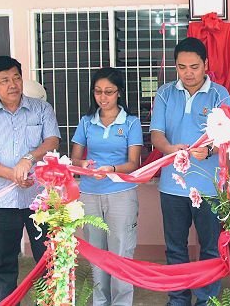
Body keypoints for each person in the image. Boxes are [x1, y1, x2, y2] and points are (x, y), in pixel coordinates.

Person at [0, 55, 60, 302]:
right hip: (2, 203)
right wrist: (13, 175)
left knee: (48, 261)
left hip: (39, 200)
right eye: (5, 80)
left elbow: (52, 141)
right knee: (4, 263)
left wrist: (28, 159)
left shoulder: (42, 108)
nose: (13, 85)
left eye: (16, 78)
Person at [149, 37, 230, 306]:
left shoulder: (220, 95)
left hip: (208, 187)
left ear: (206, 64)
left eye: (195, 66)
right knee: (175, 248)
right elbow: (156, 134)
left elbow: (229, 136)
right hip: (172, 187)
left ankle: (207, 300)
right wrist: (170, 148)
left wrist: (209, 151)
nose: (188, 73)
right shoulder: (164, 93)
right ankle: (178, 299)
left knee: (210, 248)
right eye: (182, 67)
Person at [70, 67, 143, 306]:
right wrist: (84, 164)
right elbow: (74, 159)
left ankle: (122, 303)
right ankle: (100, 302)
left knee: (120, 253)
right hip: (90, 194)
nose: (103, 97)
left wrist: (111, 170)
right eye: (98, 91)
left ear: (119, 93)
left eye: (109, 92)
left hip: (120, 194)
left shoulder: (131, 123)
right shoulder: (86, 122)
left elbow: (133, 163)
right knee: (96, 255)